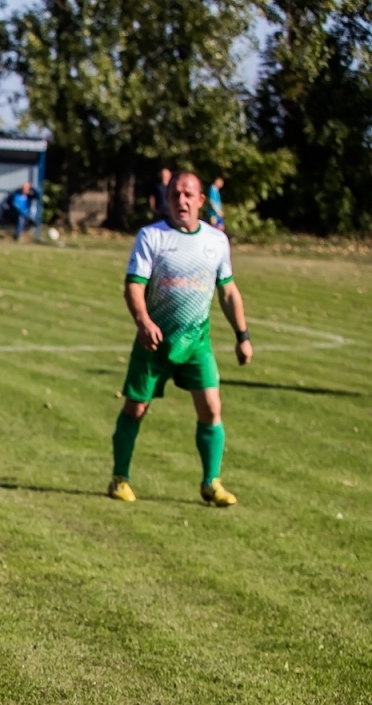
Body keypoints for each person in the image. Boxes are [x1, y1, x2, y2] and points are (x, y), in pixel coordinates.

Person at [109, 170, 252, 506]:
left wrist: (242, 335)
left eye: (188, 195)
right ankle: (119, 477)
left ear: (201, 201)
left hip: (196, 341)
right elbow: (134, 285)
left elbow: (228, 291)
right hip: (154, 341)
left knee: (212, 409)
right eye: (175, 195)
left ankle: (211, 483)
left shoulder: (217, 241)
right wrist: (143, 320)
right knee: (136, 407)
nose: (181, 201)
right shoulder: (151, 237)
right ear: (166, 200)